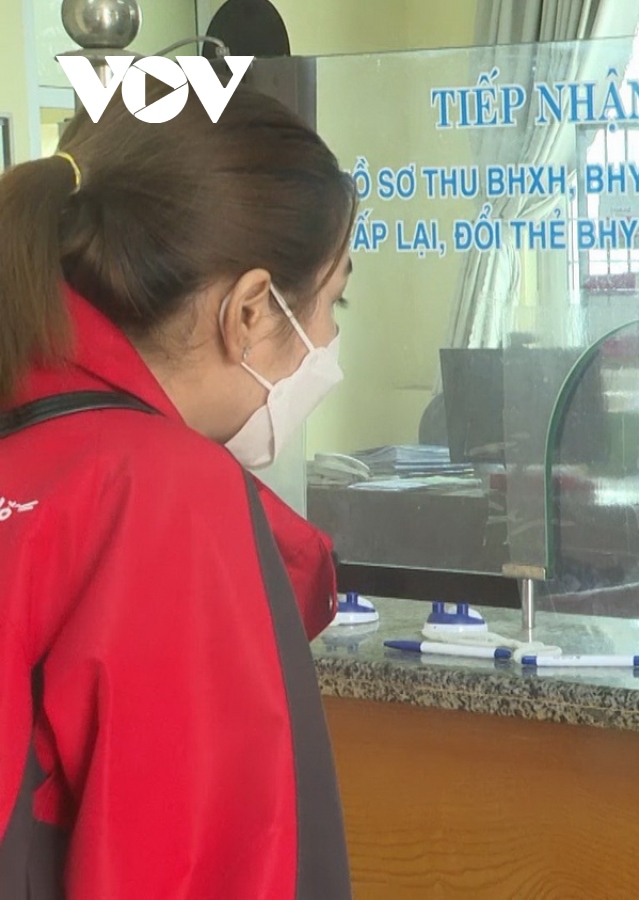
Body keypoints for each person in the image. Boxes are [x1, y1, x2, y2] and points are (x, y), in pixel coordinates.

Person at [0, 87, 357, 895]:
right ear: (251, 310)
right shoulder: (166, 501)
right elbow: (204, 867)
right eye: (334, 300)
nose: (331, 340)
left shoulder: (32, 449)